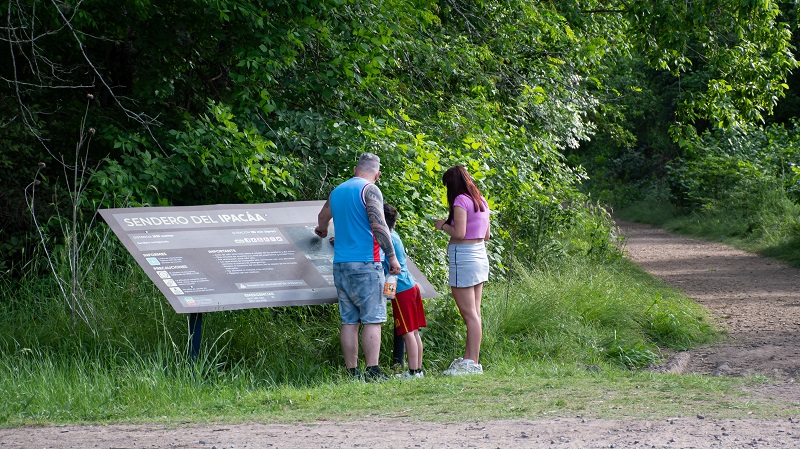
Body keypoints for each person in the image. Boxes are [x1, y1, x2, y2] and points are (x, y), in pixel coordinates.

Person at [315, 152, 401, 382]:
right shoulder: (370, 190)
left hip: (341, 264)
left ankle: (352, 372)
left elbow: (322, 218)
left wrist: (323, 230)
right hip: (366, 263)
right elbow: (379, 226)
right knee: (373, 318)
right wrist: (392, 258)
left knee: (349, 321)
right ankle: (373, 371)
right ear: (377, 174)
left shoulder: (337, 191)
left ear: (355, 169)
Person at [433, 165, 491, 375]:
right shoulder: (481, 201)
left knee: (469, 315)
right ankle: (470, 359)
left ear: (453, 184)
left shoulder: (460, 201)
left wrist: (442, 225)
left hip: (464, 258)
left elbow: (459, 233)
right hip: (480, 256)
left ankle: (472, 364)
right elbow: (487, 235)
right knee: (475, 313)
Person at [382, 203, 427, 379]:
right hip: (411, 286)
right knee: (414, 331)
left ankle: (413, 372)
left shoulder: (386, 239)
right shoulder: (395, 235)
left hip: (401, 290)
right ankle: (418, 370)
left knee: (407, 332)